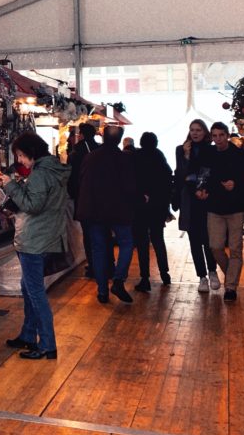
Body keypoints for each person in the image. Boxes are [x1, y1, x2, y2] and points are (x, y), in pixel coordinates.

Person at [0, 132, 70, 360]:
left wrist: (10, 186)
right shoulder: (54, 170)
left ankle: (47, 344)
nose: (20, 161)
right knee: (28, 288)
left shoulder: (40, 174)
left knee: (35, 293)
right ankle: (28, 335)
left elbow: (31, 205)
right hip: (46, 236)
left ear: (30, 153)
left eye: (20, 155)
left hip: (35, 240)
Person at [198, 122, 244, 302]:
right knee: (215, 247)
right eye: (215, 136)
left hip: (236, 208)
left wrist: (236, 184)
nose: (218, 139)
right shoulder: (208, 154)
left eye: (221, 135)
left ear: (227, 135)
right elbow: (203, 175)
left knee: (235, 249)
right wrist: (201, 189)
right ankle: (231, 275)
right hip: (214, 206)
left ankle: (231, 287)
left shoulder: (240, 156)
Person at [78, 125, 138, 304]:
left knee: (99, 249)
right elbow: (130, 186)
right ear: (120, 140)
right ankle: (118, 280)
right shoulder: (124, 159)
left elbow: (82, 182)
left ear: (103, 137)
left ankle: (102, 291)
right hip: (119, 210)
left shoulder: (91, 157)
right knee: (126, 243)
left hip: (94, 210)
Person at [172, 119, 219, 294]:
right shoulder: (182, 149)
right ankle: (202, 277)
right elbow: (181, 175)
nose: (195, 133)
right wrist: (185, 156)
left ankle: (212, 271)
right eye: (192, 130)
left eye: (198, 130)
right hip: (189, 200)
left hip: (207, 198)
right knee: (194, 239)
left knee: (208, 238)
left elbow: (213, 173)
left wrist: (206, 190)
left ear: (204, 132)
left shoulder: (211, 150)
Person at [132, 132, 172, 292]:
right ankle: (165, 274)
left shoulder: (136, 157)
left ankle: (145, 278)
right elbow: (168, 180)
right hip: (158, 207)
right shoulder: (160, 157)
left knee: (142, 244)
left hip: (141, 206)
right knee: (158, 240)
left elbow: (133, 180)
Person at [67, 122, 100, 279]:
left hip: (83, 198)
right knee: (101, 232)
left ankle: (93, 266)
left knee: (88, 233)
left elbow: (71, 175)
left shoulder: (77, 151)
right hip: (100, 198)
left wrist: (72, 194)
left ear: (82, 134)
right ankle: (106, 264)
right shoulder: (99, 149)